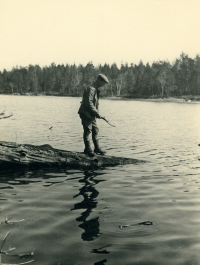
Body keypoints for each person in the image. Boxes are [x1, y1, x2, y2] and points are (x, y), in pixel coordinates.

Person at [78, 74, 109, 157]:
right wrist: (97, 113)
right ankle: (88, 150)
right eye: (103, 83)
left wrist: (96, 114)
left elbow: (93, 104)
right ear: (99, 80)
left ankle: (97, 148)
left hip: (92, 114)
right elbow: (89, 103)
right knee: (87, 131)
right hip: (85, 113)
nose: (103, 85)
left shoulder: (95, 89)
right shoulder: (90, 89)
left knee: (95, 130)